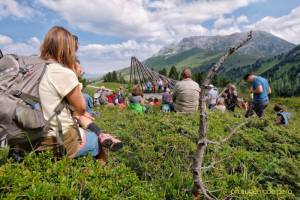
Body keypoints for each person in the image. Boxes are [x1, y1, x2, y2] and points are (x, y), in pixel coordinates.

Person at [38, 26, 121, 163]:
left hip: (26, 135)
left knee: (82, 120)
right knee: (95, 142)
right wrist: (74, 78)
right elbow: (81, 108)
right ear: (67, 48)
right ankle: (103, 175)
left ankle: (101, 135)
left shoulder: (37, 68)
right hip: (52, 139)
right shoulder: (62, 72)